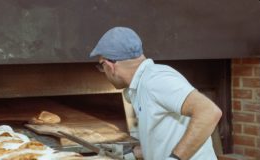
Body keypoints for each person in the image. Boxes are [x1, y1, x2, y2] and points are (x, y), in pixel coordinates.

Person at [89, 27, 222, 160]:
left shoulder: (156, 80)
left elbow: (209, 112)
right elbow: (163, 141)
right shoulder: (140, 86)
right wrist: (131, 155)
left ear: (109, 65)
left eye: (101, 66)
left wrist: (175, 159)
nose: (103, 71)